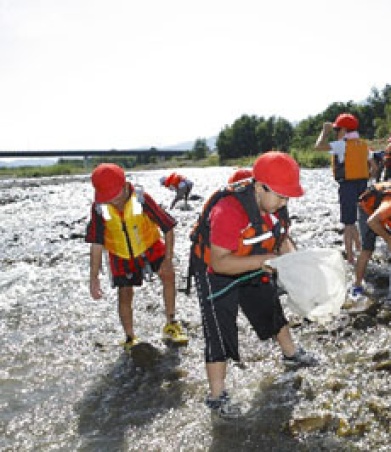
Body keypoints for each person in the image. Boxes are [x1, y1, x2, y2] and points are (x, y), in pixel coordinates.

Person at [189, 151, 317, 419]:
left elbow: (282, 238)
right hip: (215, 270)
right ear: (259, 187)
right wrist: (268, 260)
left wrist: (295, 265)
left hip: (255, 258)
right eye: (280, 196)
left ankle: (291, 354)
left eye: (288, 197)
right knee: (218, 331)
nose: (284, 202)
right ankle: (217, 396)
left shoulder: (277, 204)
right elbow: (221, 263)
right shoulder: (228, 211)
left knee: (268, 304)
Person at [86, 163, 188, 350]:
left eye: (114, 196)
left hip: (150, 245)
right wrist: (93, 277)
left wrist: (168, 260)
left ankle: (171, 323)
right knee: (124, 295)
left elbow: (168, 228)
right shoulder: (99, 208)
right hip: (120, 254)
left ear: (125, 186)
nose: (112, 202)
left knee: (168, 275)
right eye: (106, 197)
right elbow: (96, 243)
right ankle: (130, 337)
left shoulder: (142, 199)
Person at [315, 113, 376, 264]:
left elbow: (318, 146)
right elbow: (374, 167)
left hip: (347, 186)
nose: (336, 133)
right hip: (362, 185)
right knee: (355, 220)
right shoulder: (363, 145)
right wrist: (366, 178)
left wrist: (325, 131)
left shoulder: (342, 144)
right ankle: (361, 248)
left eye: (337, 130)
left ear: (344, 130)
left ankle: (350, 258)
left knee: (348, 223)